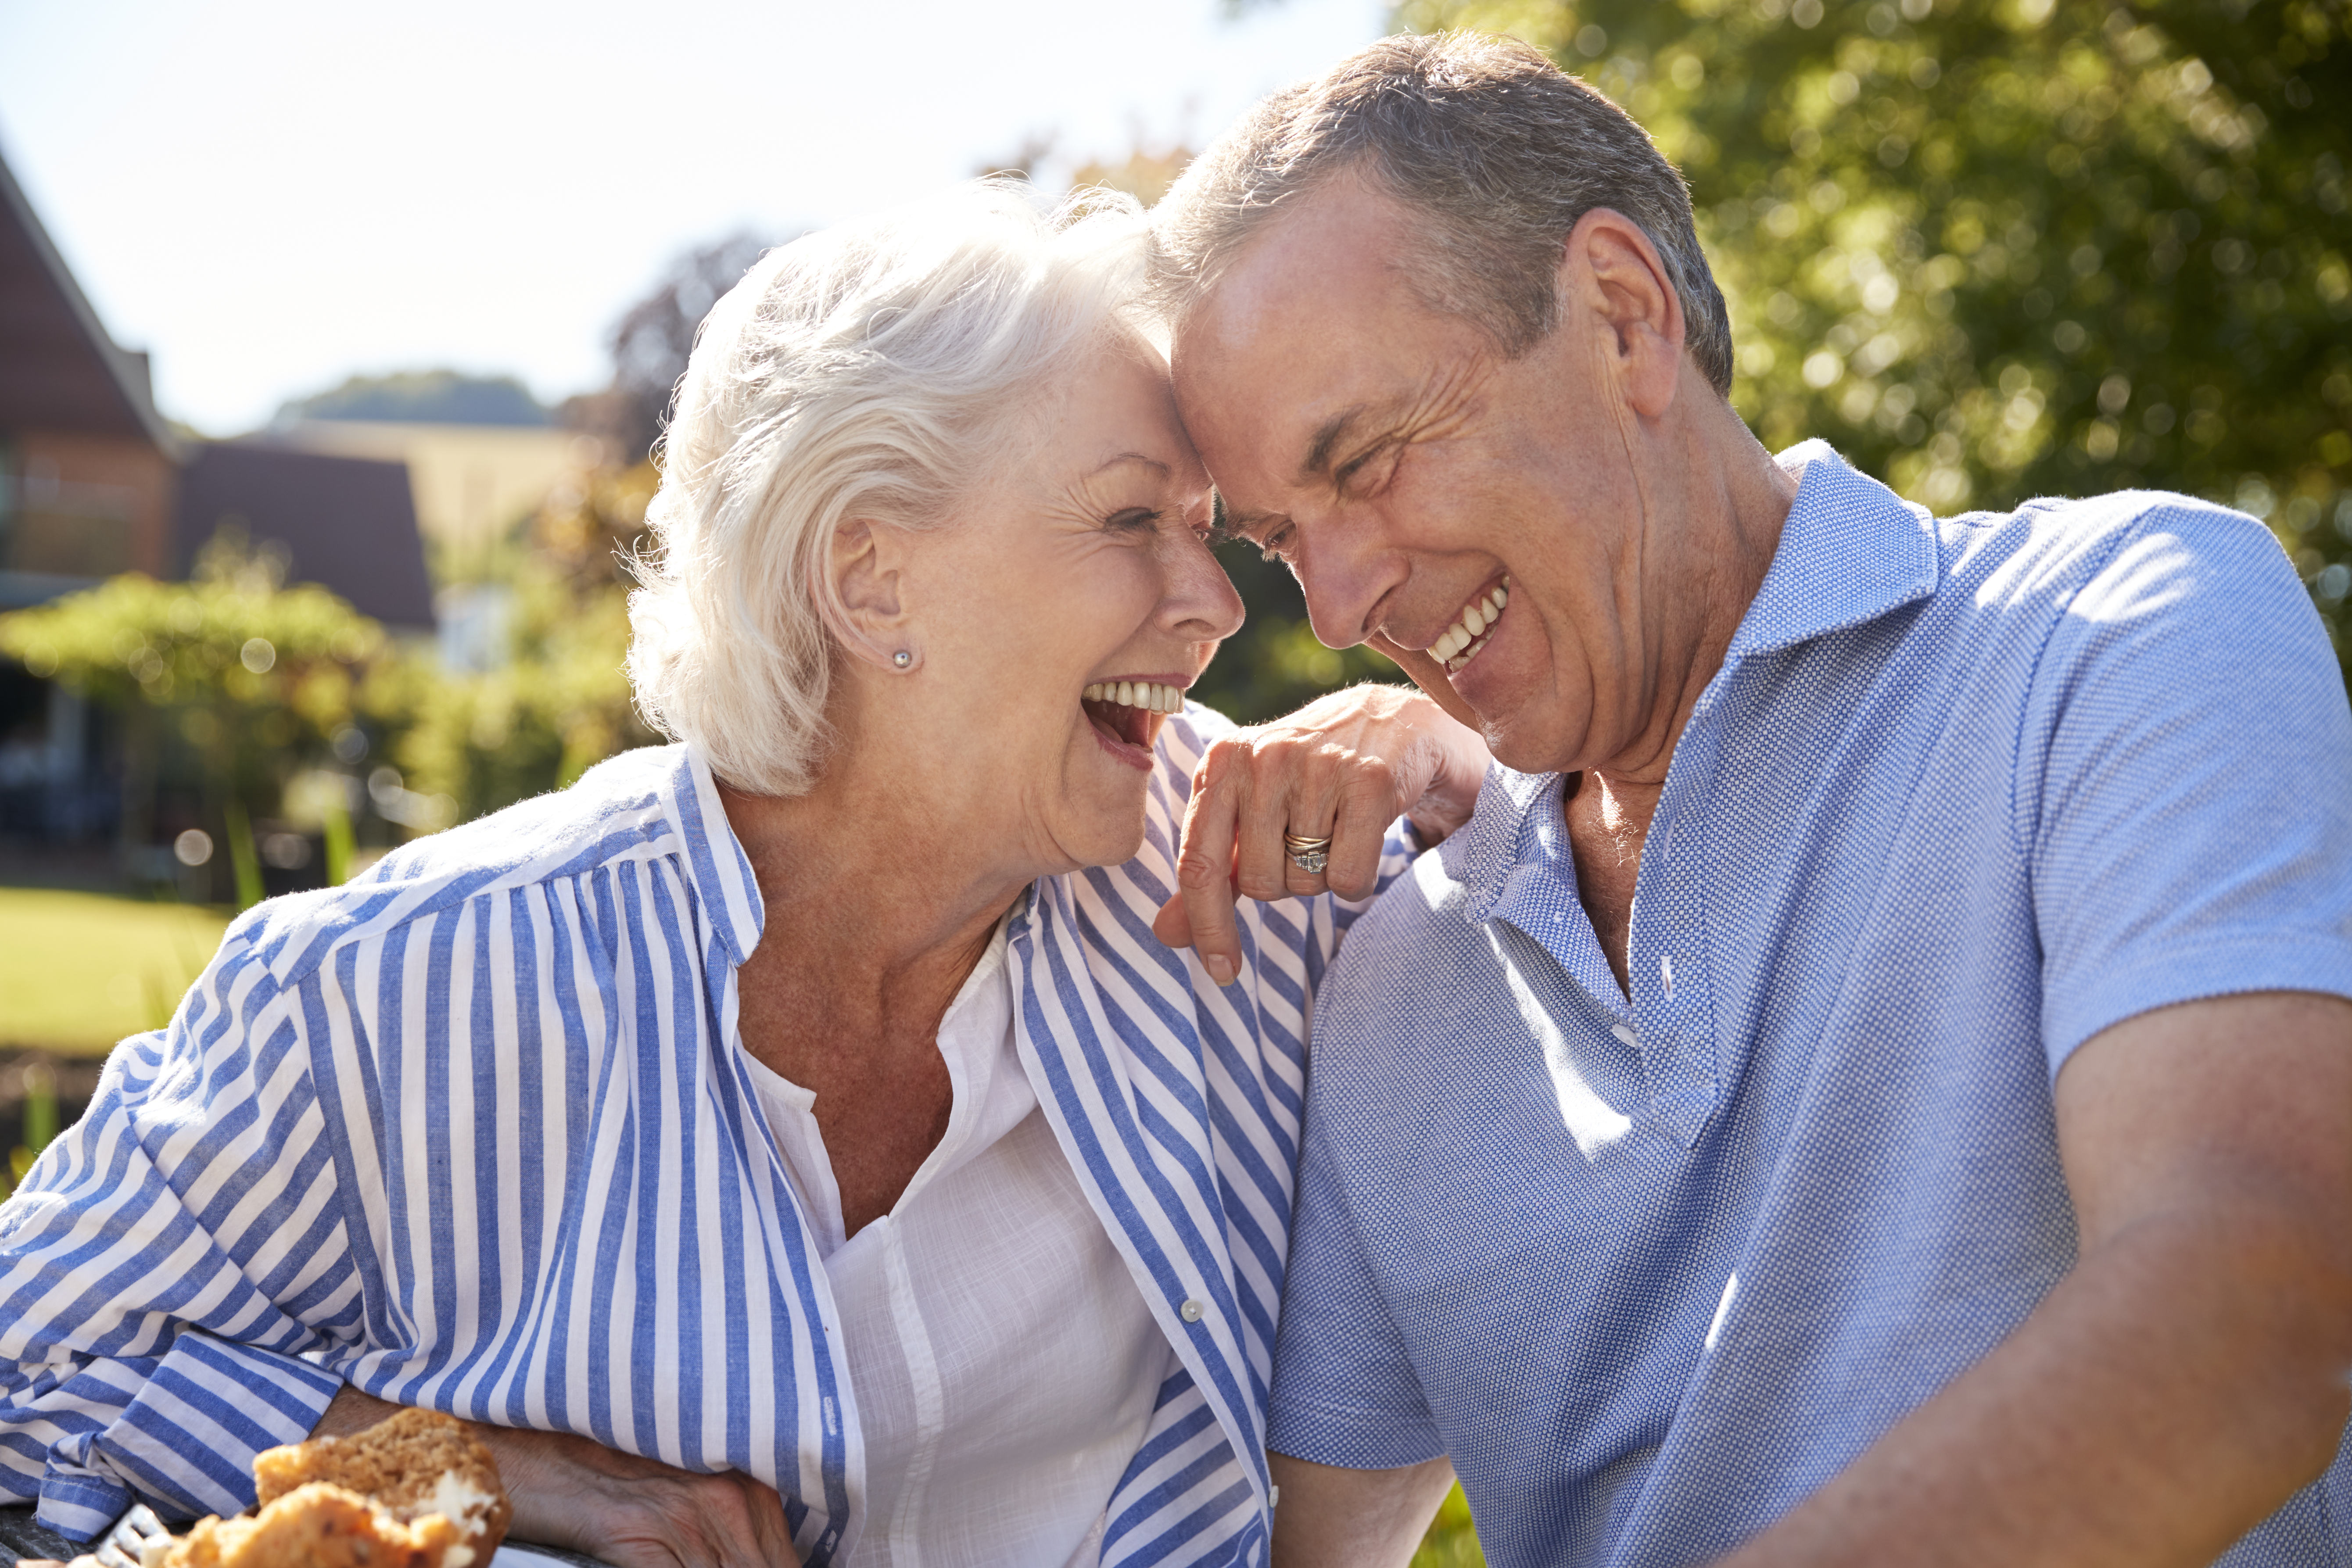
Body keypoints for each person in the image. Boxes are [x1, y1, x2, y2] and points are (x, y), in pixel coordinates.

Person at [0, 184, 1488, 1568]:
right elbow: (36, 1368)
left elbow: (1617, 862)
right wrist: (508, 1477)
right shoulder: (406, 990)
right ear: (868, 576)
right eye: (1128, 521)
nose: (1221, 602)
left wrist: (1444, 747)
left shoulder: (1246, 889)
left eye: (1207, 531)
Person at [1145, 31, 2352, 1568]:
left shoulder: (2104, 639)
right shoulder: (1393, 983)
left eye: (1370, 460)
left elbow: (2248, 1325)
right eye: (1277, 538)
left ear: (1622, 317)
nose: (1338, 600)